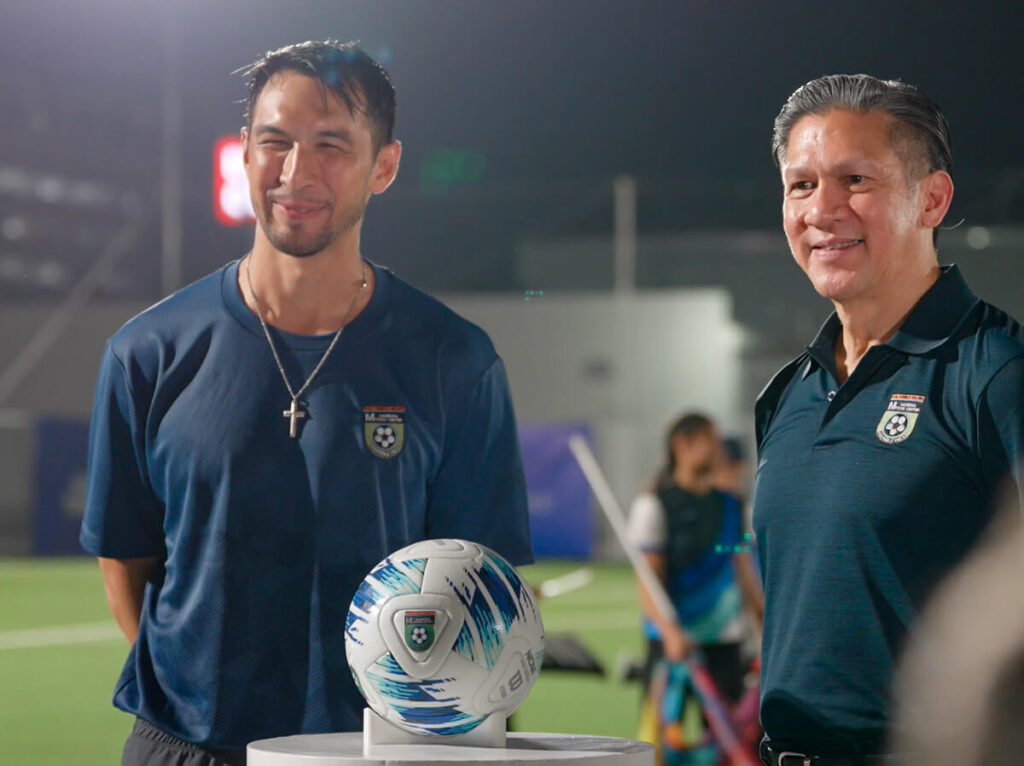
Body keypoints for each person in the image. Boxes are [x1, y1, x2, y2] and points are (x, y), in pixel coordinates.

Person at [79, 40, 532, 765]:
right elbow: (125, 562)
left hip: (377, 749)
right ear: (245, 154)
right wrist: (202, 704)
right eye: (275, 142)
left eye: (330, 145)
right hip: (186, 748)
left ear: (383, 165)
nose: (296, 173)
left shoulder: (454, 360)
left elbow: (486, 584)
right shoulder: (148, 350)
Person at [753, 74, 1024, 765]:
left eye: (855, 180)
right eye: (801, 185)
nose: (823, 209)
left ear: (931, 198)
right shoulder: (787, 394)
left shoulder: (996, 372)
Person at [628, 413, 763, 762]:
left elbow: (741, 568)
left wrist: (765, 628)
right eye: (711, 440)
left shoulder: (733, 507)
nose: (719, 449)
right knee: (659, 744)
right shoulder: (654, 506)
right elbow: (649, 583)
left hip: (724, 644)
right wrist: (670, 632)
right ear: (683, 445)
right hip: (671, 648)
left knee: (729, 744)